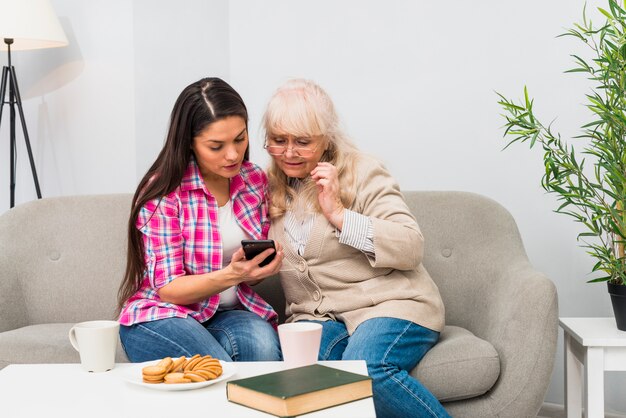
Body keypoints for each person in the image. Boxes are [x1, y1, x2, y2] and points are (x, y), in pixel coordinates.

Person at [261, 79, 450, 418]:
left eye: (303, 142)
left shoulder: (361, 171)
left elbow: (411, 246)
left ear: (326, 138)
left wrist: (339, 215)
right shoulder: (266, 186)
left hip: (392, 304)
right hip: (320, 318)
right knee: (306, 382)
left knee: (365, 368)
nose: (289, 152)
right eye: (279, 140)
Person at [117, 77, 284, 363]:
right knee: (216, 370)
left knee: (265, 352)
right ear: (190, 143)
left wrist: (258, 270)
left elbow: (248, 261)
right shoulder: (164, 192)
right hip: (162, 315)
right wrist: (234, 275)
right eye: (216, 146)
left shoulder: (254, 180)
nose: (233, 154)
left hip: (227, 313)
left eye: (240, 138)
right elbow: (168, 289)